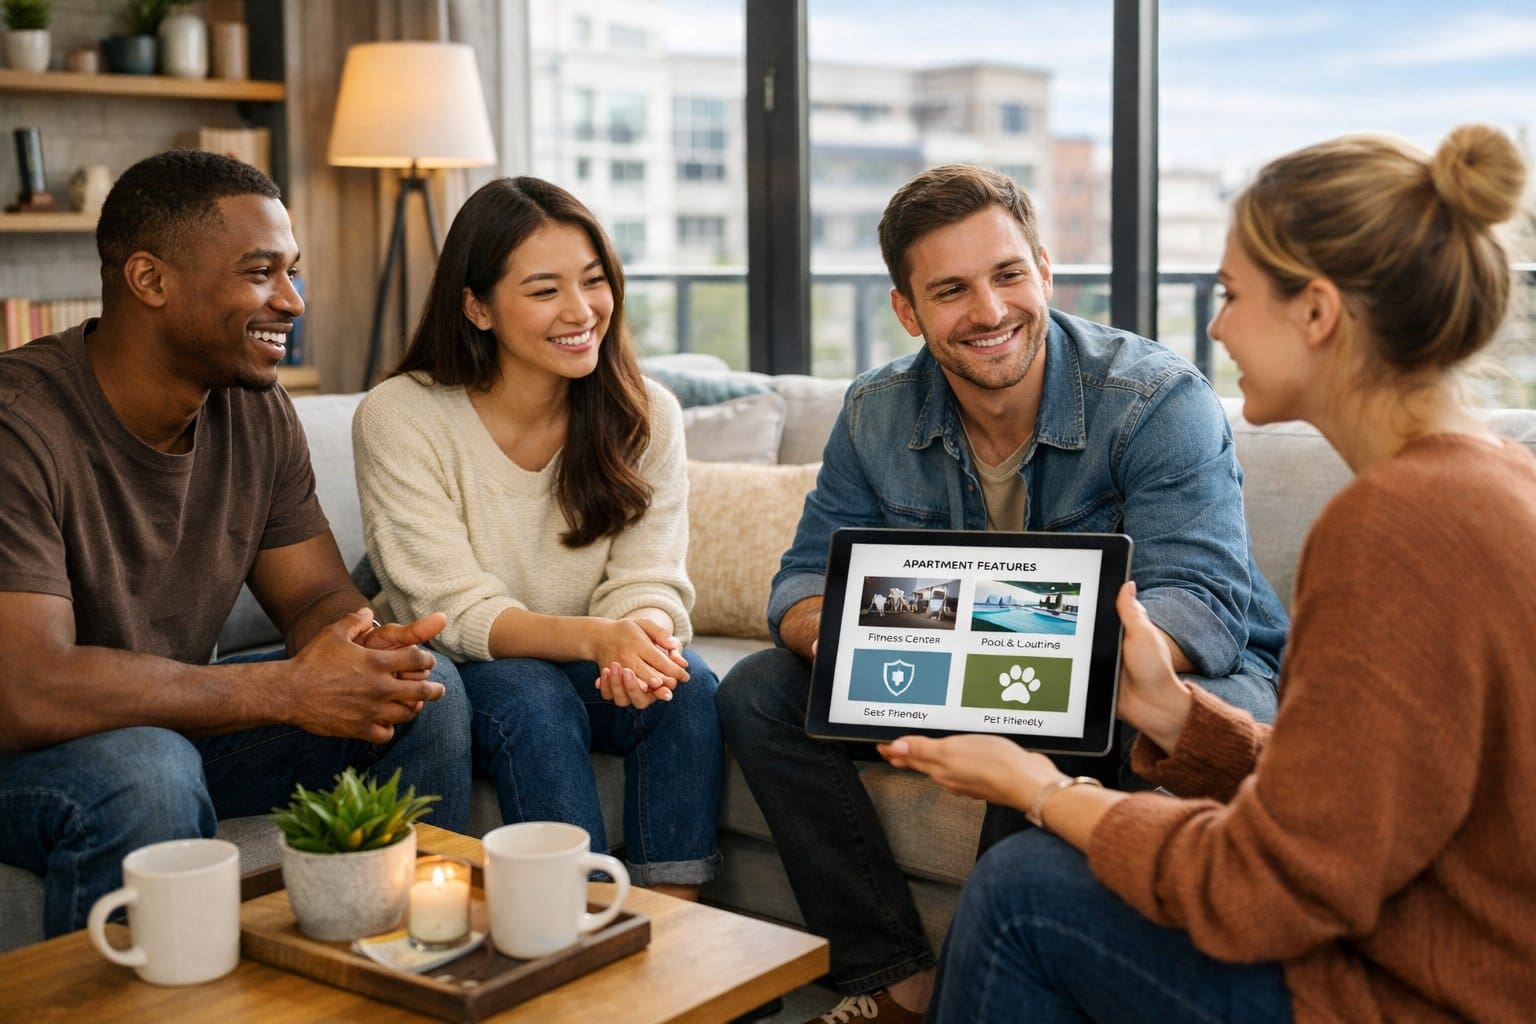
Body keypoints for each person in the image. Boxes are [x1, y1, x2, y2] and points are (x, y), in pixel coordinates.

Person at [883, 124, 1536, 1022]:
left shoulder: (1394, 525)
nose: (1217, 324)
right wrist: (1176, 715)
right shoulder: (1494, 475)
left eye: (1232, 293)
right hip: (1441, 949)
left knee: (1024, 886)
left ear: (1317, 312)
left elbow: (1262, 886)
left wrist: (1038, 787)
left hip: (1419, 992)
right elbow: (1351, 802)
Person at [716, 163, 1290, 1023]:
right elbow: (802, 583)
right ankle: (898, 983)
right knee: (761, 690)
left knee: (1068, 713)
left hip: (1173, 676)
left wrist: (994, 647)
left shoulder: (1156, 398)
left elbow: (1198, 607)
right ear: (909, 312)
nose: (989, 311)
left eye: (1008, 275)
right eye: (951, 290)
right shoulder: (876, 411)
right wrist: (857, 642)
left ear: (1045, 270)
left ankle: (989, 992)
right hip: (954, 662)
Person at [0, 150, 471, 938]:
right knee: (147, 771)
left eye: (293, 272)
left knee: (428, 694)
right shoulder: (21, 426)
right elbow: (29, 689)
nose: (292, 300)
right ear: (150, 281)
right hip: (31, 750)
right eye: (262, 273)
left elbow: (316, 594)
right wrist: (290, 690)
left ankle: (397, 972)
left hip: (165, 726)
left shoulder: (254, 411)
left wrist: (359, 653)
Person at [353, 177, 723, 900]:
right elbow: (450, 608)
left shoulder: (647, 414)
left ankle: (675, 937)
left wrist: (640, 644)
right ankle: (574, 921)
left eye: (594, 281)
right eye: (546, 290)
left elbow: (648, 577)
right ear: (477, 305)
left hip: (588, 659)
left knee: (688, 685)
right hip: (462, 668)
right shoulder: (400, 415)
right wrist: (596, 640)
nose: (582, 311)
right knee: (530, 695)